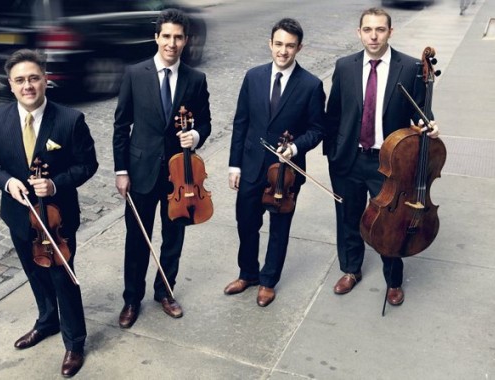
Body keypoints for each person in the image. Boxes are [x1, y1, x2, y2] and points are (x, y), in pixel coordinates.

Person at [0, 49, 98, 377]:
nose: (27, 85)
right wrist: (7, 182)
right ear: (10, 85)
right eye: (20, 80)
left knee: (63, 277)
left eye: (33, 78)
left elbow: (88, 165)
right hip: (18, 215)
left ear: (45, 79)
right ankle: (47, 322)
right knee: (34, 272)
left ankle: (74, 342)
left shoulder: (70, 119)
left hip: (58, 218)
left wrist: (55, 185)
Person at [324, 8, 440, 306]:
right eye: (367, 29)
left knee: (390, 223)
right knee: (348, 217)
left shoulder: (411, 67)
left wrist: (428, 123)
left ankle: (393, 280)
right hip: (348, 159)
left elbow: (421, 113)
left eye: (379, 29)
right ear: (358, 32)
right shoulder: (344, 66)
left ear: (391, 31)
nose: (373, 35)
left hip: (388, 164)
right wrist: (333, 154)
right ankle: (351, 269)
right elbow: (333, 113)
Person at [113, 8, 211, 328]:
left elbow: (205, 123)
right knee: (137, 240)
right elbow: (120, 126)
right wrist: (121, 171)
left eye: (178, 37)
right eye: (166, 36)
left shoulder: (196, 80)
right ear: (157, 37)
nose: (172, 43)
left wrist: (194, 135)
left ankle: (165, 292)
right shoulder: (134, 74)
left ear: (186, 40)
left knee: (174, 238)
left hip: (179, 177)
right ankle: (131, 299)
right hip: (140, 172)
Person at [224, 18, 326, 307]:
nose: (283, 51)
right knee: (246, 224)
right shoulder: (253, 77)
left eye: (290, 46)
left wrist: (294, 147)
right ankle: (248, 273)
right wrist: (234, 165)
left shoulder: (310, 85)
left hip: (285, 173)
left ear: (299, 48)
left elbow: (318, 129)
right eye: (279, 44)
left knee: (279, 229)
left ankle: (268, 280)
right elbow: (241, 123)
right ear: (270, 43)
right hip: (251, 166)